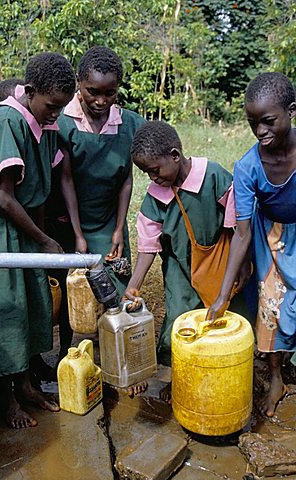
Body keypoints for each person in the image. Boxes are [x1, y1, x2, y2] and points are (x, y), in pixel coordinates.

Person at [0, 52, 76, 428]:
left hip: (28, 232)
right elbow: (4, 198)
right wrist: (46, 240)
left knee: (34, 307)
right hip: (5, 234)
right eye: (52, 106)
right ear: (30, 92)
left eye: (63, 107)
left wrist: (41, 238)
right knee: (8, 313)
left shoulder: (42, 123)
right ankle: (6, 399)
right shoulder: (5, 122)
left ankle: (27, 385)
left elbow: (39, 186)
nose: (57, 114)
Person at [124, 120, 250, 399]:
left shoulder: (214, 176)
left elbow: (238, 225)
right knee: (180, 322)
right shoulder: (154, 197)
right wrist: (134, 285)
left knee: (229, 316)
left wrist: (242, 264)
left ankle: (229, 374)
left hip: (221, 261)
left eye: (155, 170)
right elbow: (147, 246)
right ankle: (180, 379)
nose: (152, 178)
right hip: (180, 269)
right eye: (146, 173)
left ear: (175, 156)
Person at [207, 72, 296, 418]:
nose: (260, 131)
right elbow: (241, 233)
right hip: (270, 237)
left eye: (268, 121)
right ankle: (275, 376)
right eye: (253, 123)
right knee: (271, 305)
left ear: (291, 110)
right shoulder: (247, 167)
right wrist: (222, 295)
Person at [57, 45, 146, 297]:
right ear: (79, 84)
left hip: (110, 220)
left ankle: (111, 336)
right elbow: (66, 180)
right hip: (72, 221)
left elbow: (126, 179)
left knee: (115, 289)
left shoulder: (129, 124)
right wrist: (78, 234)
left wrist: (119, 228)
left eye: (110, 93)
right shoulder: (63, 123)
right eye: (92, 91)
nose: (101, 101)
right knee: (76, 294)